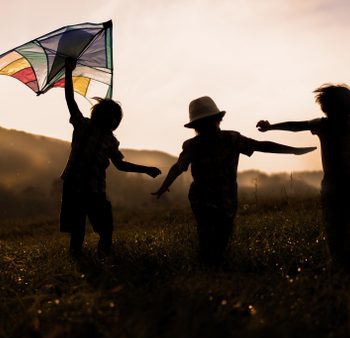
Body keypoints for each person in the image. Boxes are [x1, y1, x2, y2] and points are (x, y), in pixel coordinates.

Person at [152, 96, 316, 266]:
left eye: (210, 122)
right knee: (207, 235)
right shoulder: (193, 145)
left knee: (223, 238)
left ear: (218, 120)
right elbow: (178, 167)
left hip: (226, 200)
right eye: (203, 124)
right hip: (202, 199)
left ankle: (214, 268)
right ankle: (208, 269)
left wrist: (293, 151)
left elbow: (262, 145)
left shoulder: (232, 139)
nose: (208, 127)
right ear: (197, 127)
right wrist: (164, 186)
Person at [60, 57, 161, 257]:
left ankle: (103, 257)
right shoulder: (83, 125)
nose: (113, 119)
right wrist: (68, 72)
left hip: (95, 189)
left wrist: (145, 169)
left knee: (106, 229)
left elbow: (120, 164)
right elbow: (70, 100)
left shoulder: (111, 141)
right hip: (75, 186)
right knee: (77, 229)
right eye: (110, 115)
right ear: (99, 114)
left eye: (116, 117)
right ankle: (78, 258)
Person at [256, 83, 350, 270]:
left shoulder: (324, 125)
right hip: (334, 186)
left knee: (335, 229)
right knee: (337, 228)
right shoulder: (325, 125)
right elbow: (295, 126)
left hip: (332, 186)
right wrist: (271, 127)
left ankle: (340, 265)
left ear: (326, 108)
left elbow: (295, 126)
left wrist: (271, 127)